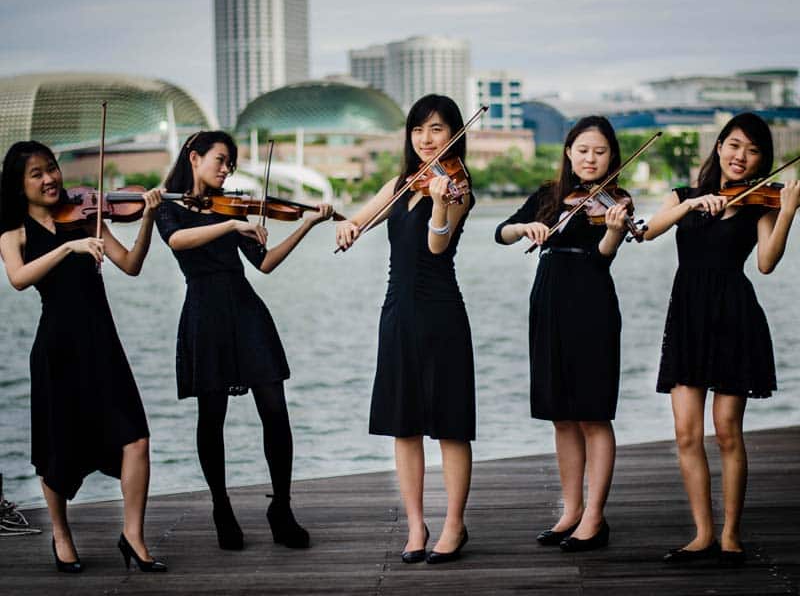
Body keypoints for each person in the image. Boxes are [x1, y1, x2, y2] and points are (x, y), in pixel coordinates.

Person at [155, 131, 332, 551]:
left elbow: (265, 263)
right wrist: (232, 224)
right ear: (193, 158)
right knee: (211, 415)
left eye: (230, 163)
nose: (226, 168)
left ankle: (282, 507)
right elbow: (177, 241)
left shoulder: (229, 205)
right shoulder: (167, 204)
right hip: (204, 312)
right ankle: (221, 506)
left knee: (274, 407)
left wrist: (306, 224)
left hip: (245, 309)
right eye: (220, 159)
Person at [0, 141, 166, 572]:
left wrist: (147, 218)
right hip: (57, 348)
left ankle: (133, 536)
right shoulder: (14, 233)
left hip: (102, 343)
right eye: (36, 173)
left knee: (136, 439)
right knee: (56, 448)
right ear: (20, 185)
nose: (50, 178)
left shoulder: (88, 217)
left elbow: (130, 264)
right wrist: (66, 249)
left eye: (51, 168)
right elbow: (18, 279)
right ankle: (61, 533)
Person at [644, 112, 800, 565]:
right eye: (734, 145)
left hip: (734, 317)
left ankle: (731, 534)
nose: (741, 156)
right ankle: (702, 534)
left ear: (760, 161)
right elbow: (648, 231)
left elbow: (767, 263)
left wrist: (787, 211)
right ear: (719, 147)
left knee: (728, 432)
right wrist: (691, 205)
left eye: (752, 151)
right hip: (689, 316)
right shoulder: (684, 196)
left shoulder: (760, 204)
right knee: (686, 432)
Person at [336, 94, 475, 564]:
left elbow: (438, 247)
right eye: (418, 129)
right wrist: (348, 226)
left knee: (450, 426)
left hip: (440, 313)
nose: (426, 139)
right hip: (397, 311)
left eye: (436, 129)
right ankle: (416, 526)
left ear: (454, 133)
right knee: (405, 424)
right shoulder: (402, 182)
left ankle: (454, 526)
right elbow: (363, 216)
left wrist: (438, 206)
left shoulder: (458, 188)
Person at [495, 116, 630, 552]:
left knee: (592, 412)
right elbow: (503, 232)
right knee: (561, 414)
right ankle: (570, 510)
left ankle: (595, 516)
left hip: (591, 305)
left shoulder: (617, 201)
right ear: (569, 151)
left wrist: (612, 231)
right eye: (583, 149)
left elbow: (603, 258)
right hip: (549, 303)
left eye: (600, 151)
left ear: (612, 157)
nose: (590, 158)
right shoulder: (550, 196)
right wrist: (526, 228)